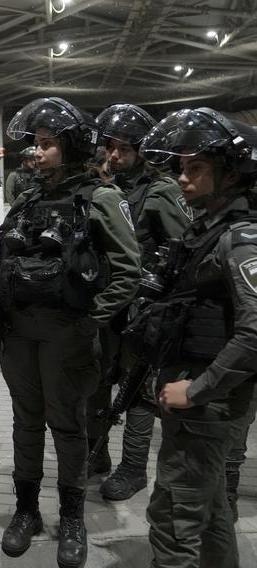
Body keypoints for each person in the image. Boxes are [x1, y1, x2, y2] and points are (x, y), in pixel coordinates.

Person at [0, 97, 140, 568]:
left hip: (68, 333)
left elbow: (127, 270)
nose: (35, 154)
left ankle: (73, 516)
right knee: (25, 423)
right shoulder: (27, 198)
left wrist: (93, 317)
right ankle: (25, 510)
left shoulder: (101, 198)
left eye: (45, 145)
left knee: (68, 425)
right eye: (34, 145)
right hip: (19, 331)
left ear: (72, 148)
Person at [137, 107, 257, 568]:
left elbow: (254, 332)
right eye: (182, 169)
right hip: (198, 394)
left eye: (196, 169)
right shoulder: (207, 230)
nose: (183, 180)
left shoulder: (240, 239)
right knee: (209, 513)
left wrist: (196, 390)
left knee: (172, 518)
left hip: (208, 402)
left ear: (230, 174)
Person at [90, 104, 192, 498]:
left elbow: (187, 246)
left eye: (124, 150)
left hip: (141, 310)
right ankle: (95, 454)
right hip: (107, 302)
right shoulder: (105, 189)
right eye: (111, 148)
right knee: (96, 383)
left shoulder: (161, 190)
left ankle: (132, 468)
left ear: (142, 152)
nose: (114, 156)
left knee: (137, 390)